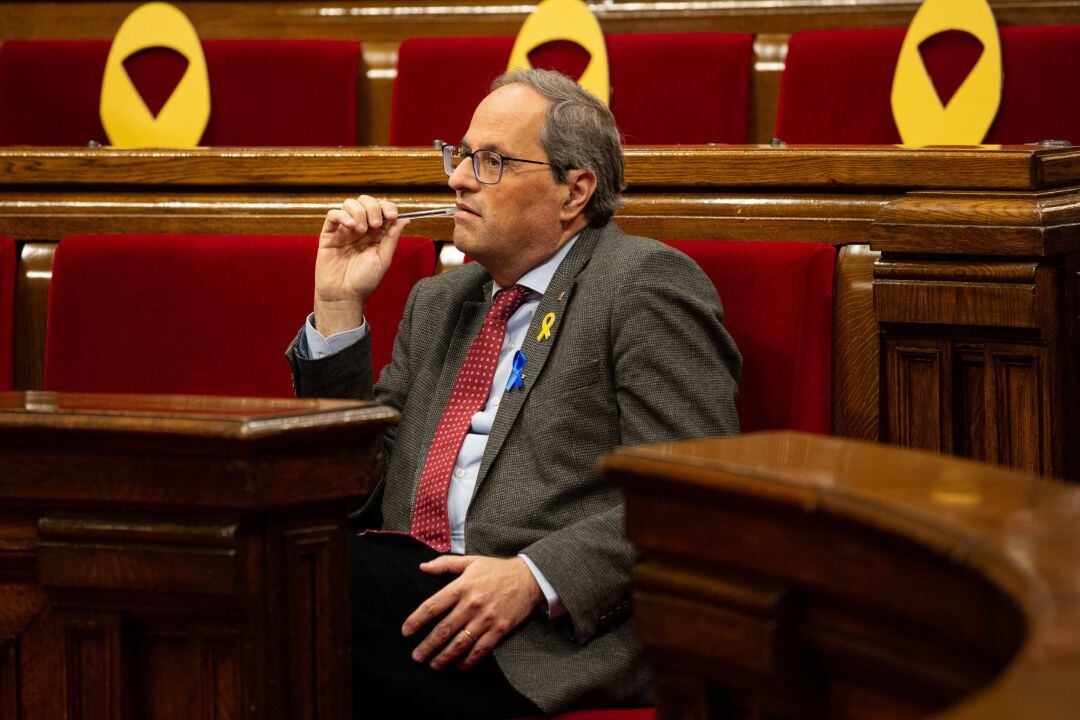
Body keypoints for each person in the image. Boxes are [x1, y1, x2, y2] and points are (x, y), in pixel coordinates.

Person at [286, 68, 741, 719]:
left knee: (294, 576)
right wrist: (337, 308)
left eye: (492, 161)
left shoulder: (640, 284)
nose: (459, 179)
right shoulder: (438, 302)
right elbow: (355, 491)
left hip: (536, 637)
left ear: (574, 190)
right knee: (277, 558)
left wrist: (532, 579)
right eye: (462, 155)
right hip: (406, 587)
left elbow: (697, 499)